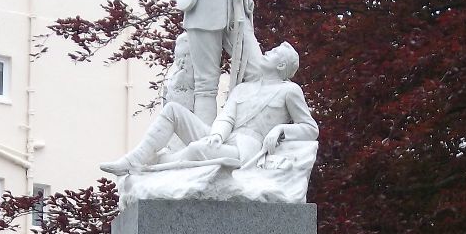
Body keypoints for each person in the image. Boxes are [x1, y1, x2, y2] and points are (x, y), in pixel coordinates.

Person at [100, 42, 317, 175]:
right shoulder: (243, 89)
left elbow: (310, 129)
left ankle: (154, 164)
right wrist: (216, 135)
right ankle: (136, 159)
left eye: (273, 52)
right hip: (222, 138)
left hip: (245, 148)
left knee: (196, 149)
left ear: (281, 65)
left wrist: (280, 130)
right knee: (173, 110)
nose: (267, 51)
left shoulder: (289, 91)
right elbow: (227, 118)